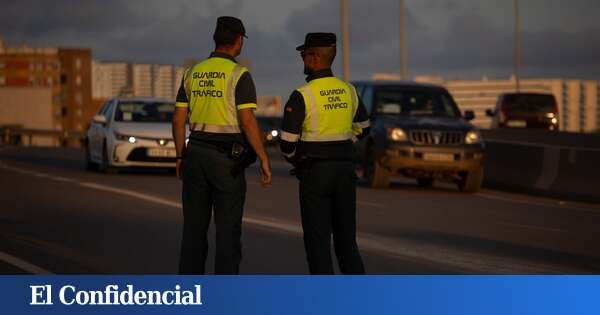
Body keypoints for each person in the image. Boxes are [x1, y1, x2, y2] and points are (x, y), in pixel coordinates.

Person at [172, 16, 272, 275]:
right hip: (227, 162)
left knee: (193, 233)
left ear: (216, 39)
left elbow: (178, 119)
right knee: (227, 235)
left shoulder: (192, 73)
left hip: (194, 155)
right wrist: (262, 156)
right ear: (239, 41)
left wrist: (180, 157)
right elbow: (247, 121)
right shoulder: (239, 75)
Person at [279, 32, 370, 274]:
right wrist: (344, 144)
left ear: (315, 57)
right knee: (346, 241)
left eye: (304, 54)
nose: (303, 59)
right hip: (344, 171)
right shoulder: (348, 90)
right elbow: (364, 127)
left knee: (318, 243)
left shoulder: (302, 95)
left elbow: (287, 143)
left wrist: (297, 160)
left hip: (314, 173)